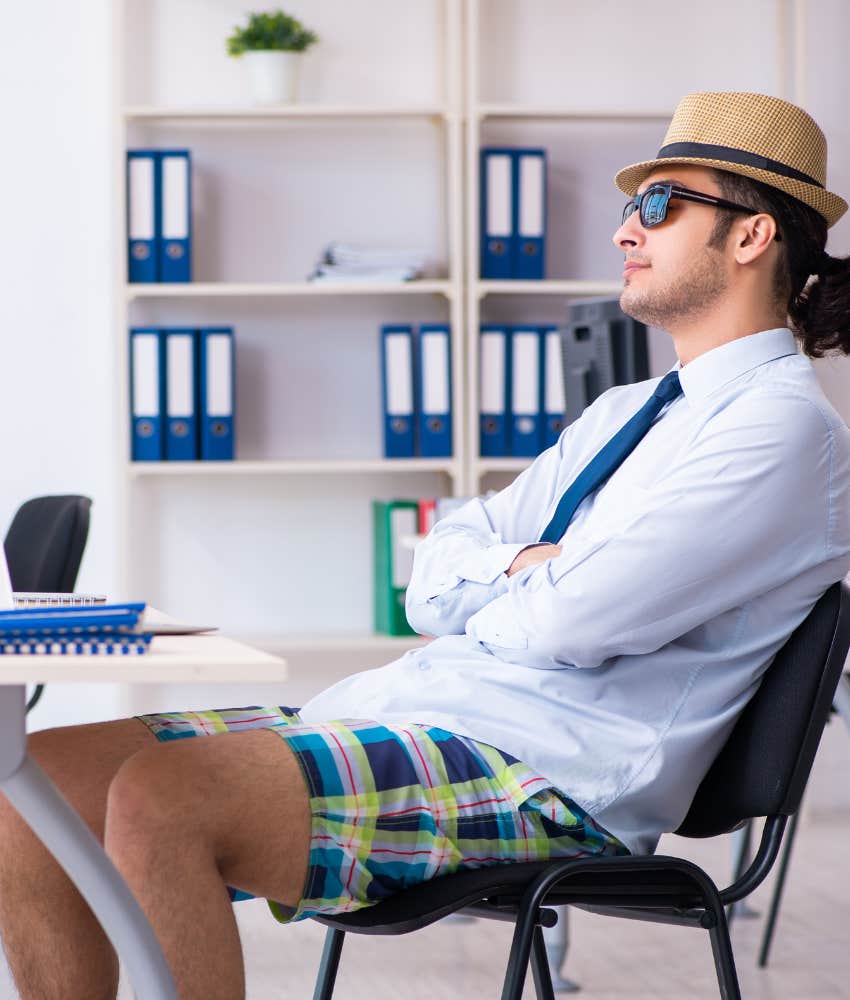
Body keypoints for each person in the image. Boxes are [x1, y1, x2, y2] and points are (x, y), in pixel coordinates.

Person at [4, 90, 850, 1000]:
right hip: (416, 714)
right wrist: (530, 568)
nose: (624, 231)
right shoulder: (628, 413)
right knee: (30, 785)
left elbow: (572, 621)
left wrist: (531, 580)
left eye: (658, 203)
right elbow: (437, 566)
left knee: (162, 798)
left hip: (546, 773)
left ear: (752, 236)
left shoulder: (781, 431)